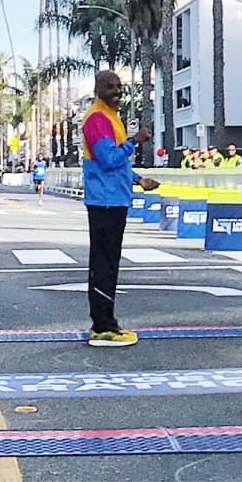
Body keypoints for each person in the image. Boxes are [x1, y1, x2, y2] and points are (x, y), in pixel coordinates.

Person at [82, 70, 158, 348]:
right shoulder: (97, 119)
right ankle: (102, 326)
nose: (117, 92)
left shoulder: (111, 118)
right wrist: (135, 141)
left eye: (119, 87)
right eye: (110, 87)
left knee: (109, 263)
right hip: (105, 202)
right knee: (104, 264)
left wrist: (138, 179)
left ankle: (106, 321)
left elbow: (118, 164)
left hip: (114, 199)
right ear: (97, 89)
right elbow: (109, 158)